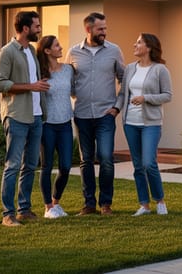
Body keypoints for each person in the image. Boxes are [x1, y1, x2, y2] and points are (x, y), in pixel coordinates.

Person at [0, 10, 50, 227]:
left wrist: (39, 86)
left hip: (35, 117)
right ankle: (8, 214)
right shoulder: (7, 52)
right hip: (16, 116)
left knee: (30, 165)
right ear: (25, 28)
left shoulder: (31, 51)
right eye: (36, 26)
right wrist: (31, 86)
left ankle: (24, 209)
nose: (39, 29)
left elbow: (33, 82)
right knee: (13, 165)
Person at [67, 12, 124, 216]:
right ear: (88, 29)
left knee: (107, 158)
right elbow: (68, 80)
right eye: (100, 29)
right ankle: (89, 204)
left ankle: (106, 204)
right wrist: (76, 97)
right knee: (86, 160)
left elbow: (123, 80)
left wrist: (117, 107)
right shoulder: (73, 52)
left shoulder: (114, 51)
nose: (104, 32)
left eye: (105, 28)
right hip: (81, 114)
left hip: (105, 115)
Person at [116, 33, 173, 216]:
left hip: (151, 123)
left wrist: (145, 98)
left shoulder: (160, 70)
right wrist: (116, 109)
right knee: (138, 165)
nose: (135, 44)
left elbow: (167, 95)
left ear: (148, 47)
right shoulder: (130, 69)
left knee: (149, 163)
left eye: (139, 42)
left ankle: (160, 201)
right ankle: (144, 205)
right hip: (130, 123)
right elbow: (123, 94)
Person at [36, 35, 74, 219]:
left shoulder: (68, 70)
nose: (61, 47)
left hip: (65, 123)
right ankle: (48, 207)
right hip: (47, 125)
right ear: (47, 50)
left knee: (66, 166)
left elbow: (75, 91)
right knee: (47, 166)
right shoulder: (39, 73)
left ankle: (56, 202)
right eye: (57, 45)